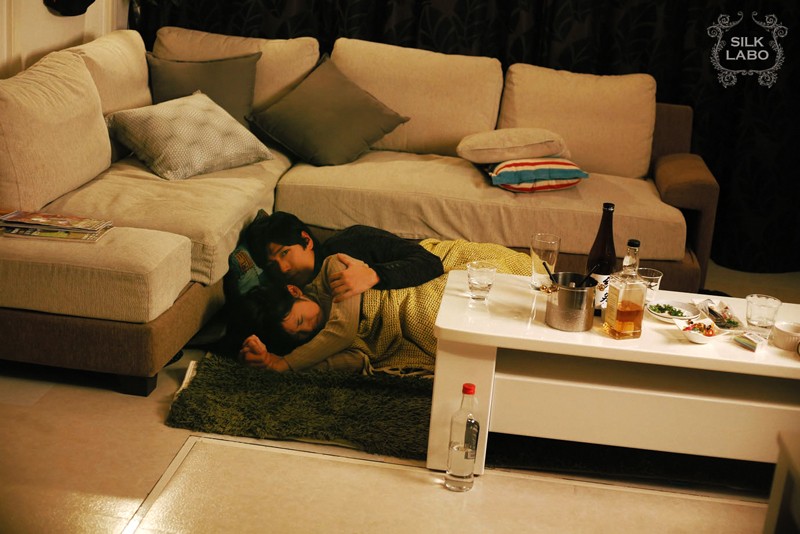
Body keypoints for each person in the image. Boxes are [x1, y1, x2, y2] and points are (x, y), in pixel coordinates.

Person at [238, 239, 532, 375]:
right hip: (399, 341)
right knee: (457, 340)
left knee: (440, 311)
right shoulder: (319, 345)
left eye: (301, 320)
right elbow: (354, 361)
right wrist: (273, 364)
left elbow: (343, 331)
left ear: (295, 292)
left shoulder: (333, 268)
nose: (309, 329)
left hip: (410, 295)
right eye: (300, 335)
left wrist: (286, 363)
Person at [246, 211, 444, 302]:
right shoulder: (288, 294)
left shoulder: (352, 243)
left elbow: (430, 262)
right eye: (272, 265)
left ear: (306, 240)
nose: (283, 268)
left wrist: (374, 275)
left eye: (284, 253)